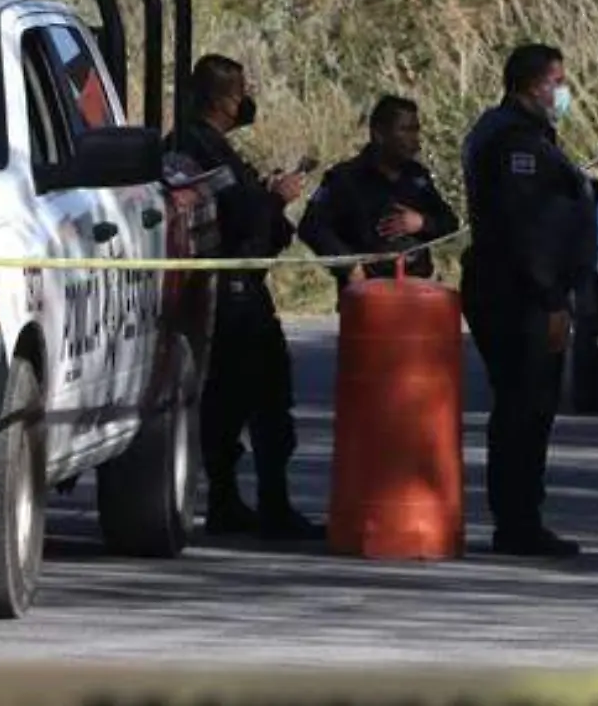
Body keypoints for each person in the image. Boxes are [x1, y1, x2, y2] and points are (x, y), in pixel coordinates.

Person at [172, 53, 320, 540]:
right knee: (250, 397)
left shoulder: (214, 148)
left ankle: (246, 500)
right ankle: (243, 501)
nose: (246, 100)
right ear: (224, 99)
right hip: (229, 293)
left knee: (248, 400)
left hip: (239, 287)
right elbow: (239, 217)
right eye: (240, 91)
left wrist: (269, 201)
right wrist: (274, 199)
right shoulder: (196, 149)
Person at [457, 43, 596, 558]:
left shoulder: (519, 134)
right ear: (531, 84)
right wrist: (552, 298)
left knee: (528, 408)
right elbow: (526, 231)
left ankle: (520, 516)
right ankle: (518, 522)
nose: (564, 92)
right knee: (524, 408)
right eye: (557, 81)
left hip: (516, 289)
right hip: (519, 296)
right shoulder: (514, 142)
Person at [298, 94, 461, 295]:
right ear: (380, 134)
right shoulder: (345, 178)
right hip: (366, 295)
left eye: (416, 129)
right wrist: (349, 266)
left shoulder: (417, 177)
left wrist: (421, 223)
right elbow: (311, 226)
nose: (414, 138)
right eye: (405, 130)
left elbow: (450, 224)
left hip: (415, 292)